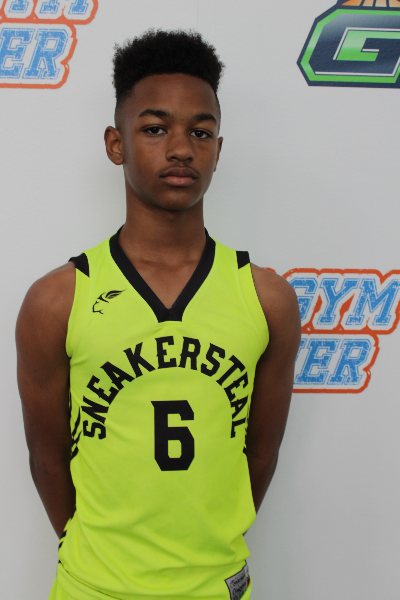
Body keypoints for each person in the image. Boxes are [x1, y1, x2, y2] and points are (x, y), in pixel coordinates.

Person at [16, 29, 301, 600]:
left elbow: (261, 453)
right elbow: (47, 458)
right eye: (154, 129)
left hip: (215, 584)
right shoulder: (56, 300)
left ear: (218, 149)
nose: (181, 149)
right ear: (115, 144)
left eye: (201, 132)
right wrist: (100, 560)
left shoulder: (267, 298)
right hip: (93, 587)